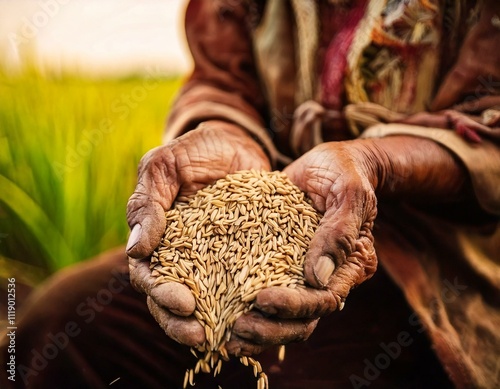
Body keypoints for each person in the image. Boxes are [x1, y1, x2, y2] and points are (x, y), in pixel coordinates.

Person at [2, 0, 499, 388]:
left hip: (439, 274)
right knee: (59, 324)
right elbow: (222, 81)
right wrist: (222, 130)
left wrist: (377, 163)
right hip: (284, 199)